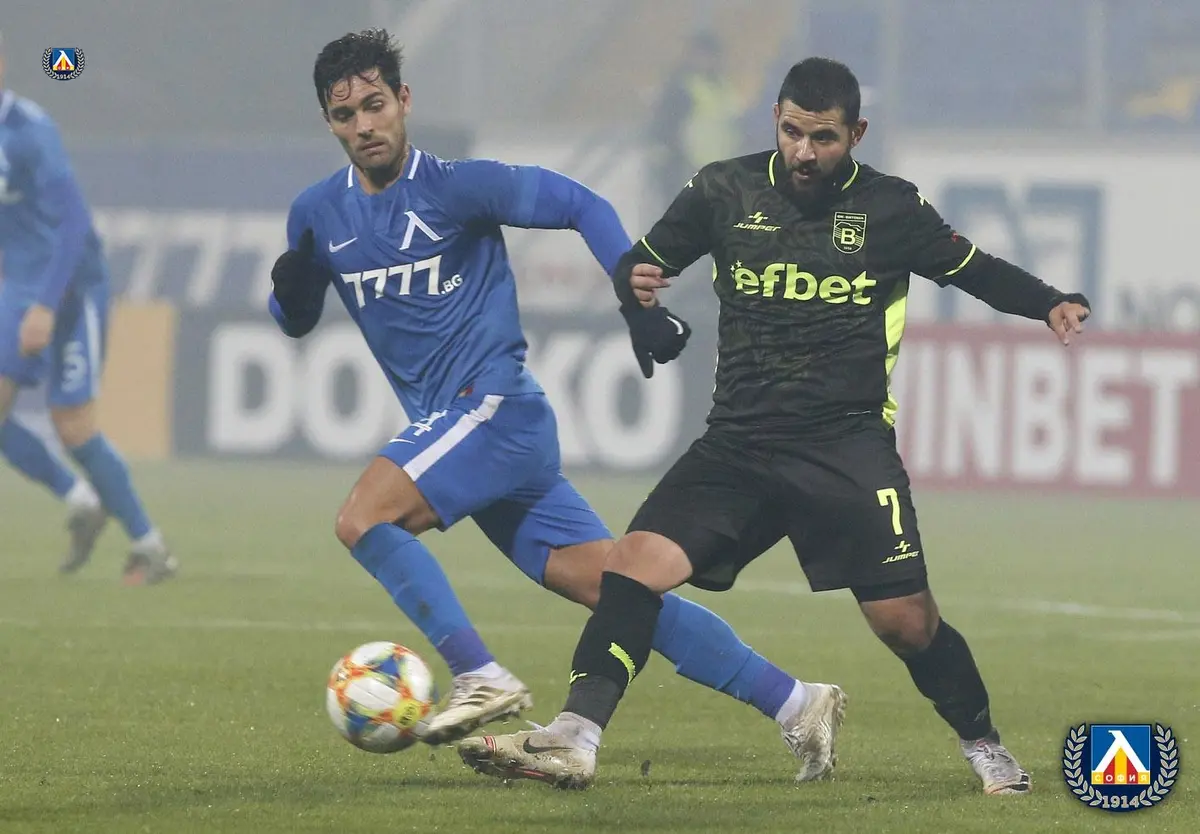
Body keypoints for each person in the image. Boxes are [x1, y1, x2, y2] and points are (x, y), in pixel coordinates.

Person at [457, 57, 1092, 795]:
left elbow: (972, 268)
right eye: (792, 132)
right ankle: (574, 736)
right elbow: (641, 264)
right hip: (740, 443)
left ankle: (984, 745)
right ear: (775, 121)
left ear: (856, 134)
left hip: (845, 446)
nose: (804, 152)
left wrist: (1049, 301)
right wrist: (641, 309)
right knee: (630, 567)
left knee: (906, 623)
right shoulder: (722, 189)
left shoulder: (890, 208)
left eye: (823, 138)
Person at [269, 29, 846, 763]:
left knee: (362, 518)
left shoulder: (456, 187)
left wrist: (634, 297)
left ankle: (478, 673)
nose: (364, 126)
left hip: (493, 408)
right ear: (329, 122)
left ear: (404, 100)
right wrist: (290, 296)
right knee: (617, 590)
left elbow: (581, 202)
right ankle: (797, 701)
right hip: (472, 434)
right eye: (346, 115)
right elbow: (294, 318)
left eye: (376, 105)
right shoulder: (317, 213)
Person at [0, 33, 175, 584]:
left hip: (71, 286)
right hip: (18, 285)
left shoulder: (28, 131)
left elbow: (74, 223)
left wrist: (45, 306)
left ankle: (150, 546)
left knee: (73, 424)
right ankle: (81, 499)